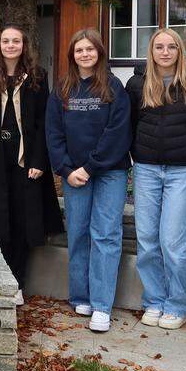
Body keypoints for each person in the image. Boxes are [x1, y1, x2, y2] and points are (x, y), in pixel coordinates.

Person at [46, 29, 131, 333]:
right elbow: (53, 134)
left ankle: (102, 306)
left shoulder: (113, 87)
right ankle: (80, 296)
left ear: (99, 52)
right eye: (79, 50)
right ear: (72, 55)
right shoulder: (62, 90)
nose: (84, 54)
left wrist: (89, 167)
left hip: (108, 171)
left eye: (90, 49)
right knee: (79, 232)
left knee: (105, 234)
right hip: (74, 174)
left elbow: (117, 132)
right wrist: (67, 169)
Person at [0, 25, 62, 304]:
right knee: (0, 220)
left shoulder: (36, 75)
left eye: (16, 41)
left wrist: (38, 160)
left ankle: (18, 284)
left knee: (24, 222)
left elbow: (42, 122)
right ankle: (3, 280)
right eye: (6, 41)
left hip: (25, 161)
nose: (11, 45)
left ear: (24, 45)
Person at [126, 28, 186, 330]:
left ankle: (176, 305)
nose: (165, 52)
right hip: (146, 168)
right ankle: (154, 302)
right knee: (147, 240)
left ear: (179, 51)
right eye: (159, 47)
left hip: (180, 171)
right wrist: (137, 154)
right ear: (152, 51)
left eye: (171, 47)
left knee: (174, 241)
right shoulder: (137, 83)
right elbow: (130, 124)